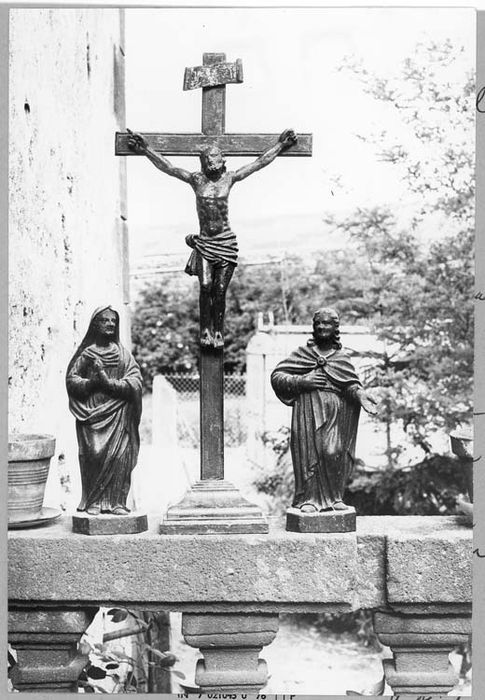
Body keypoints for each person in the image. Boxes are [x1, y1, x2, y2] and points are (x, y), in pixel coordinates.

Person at [126, 128, 297, 348]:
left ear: (222, 160)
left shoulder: (230, 178)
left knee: (220, 290)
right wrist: (146, 149)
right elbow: (168, 167)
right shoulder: (197, 180)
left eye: (214, 158)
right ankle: (205, 330)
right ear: (202, 162)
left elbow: (259, 162)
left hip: (225, 242)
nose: (211, 162)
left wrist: (281, 145)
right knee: (206, 286)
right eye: (206, 159)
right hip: (206, 243)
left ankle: (218, 331)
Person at [270, 308, 377, 513]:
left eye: (327, 323)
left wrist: (361, 395)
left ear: (335, 328)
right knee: (309, 453)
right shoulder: (303, 354)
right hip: (308, 411)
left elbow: (350, 385)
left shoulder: (341, 358)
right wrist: (301, 381)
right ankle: (308, 499)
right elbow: (277, 376)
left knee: (333, 451)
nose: (321, 327)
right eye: (318, 323)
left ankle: (334, 497)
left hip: (335, 412)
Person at [66, 306, 142, 516]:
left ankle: (117, 501)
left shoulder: (122, 354)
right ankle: (94, 502)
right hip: (92, 414)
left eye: (113, 321)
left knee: (119, 456)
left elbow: (135, 380)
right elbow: (72, 381)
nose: (110, 324)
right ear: (95, 325)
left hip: (119, 413)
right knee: (94, 455)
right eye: (105, 320)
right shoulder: (87, 354)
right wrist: (93, 382)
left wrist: (111, 384)